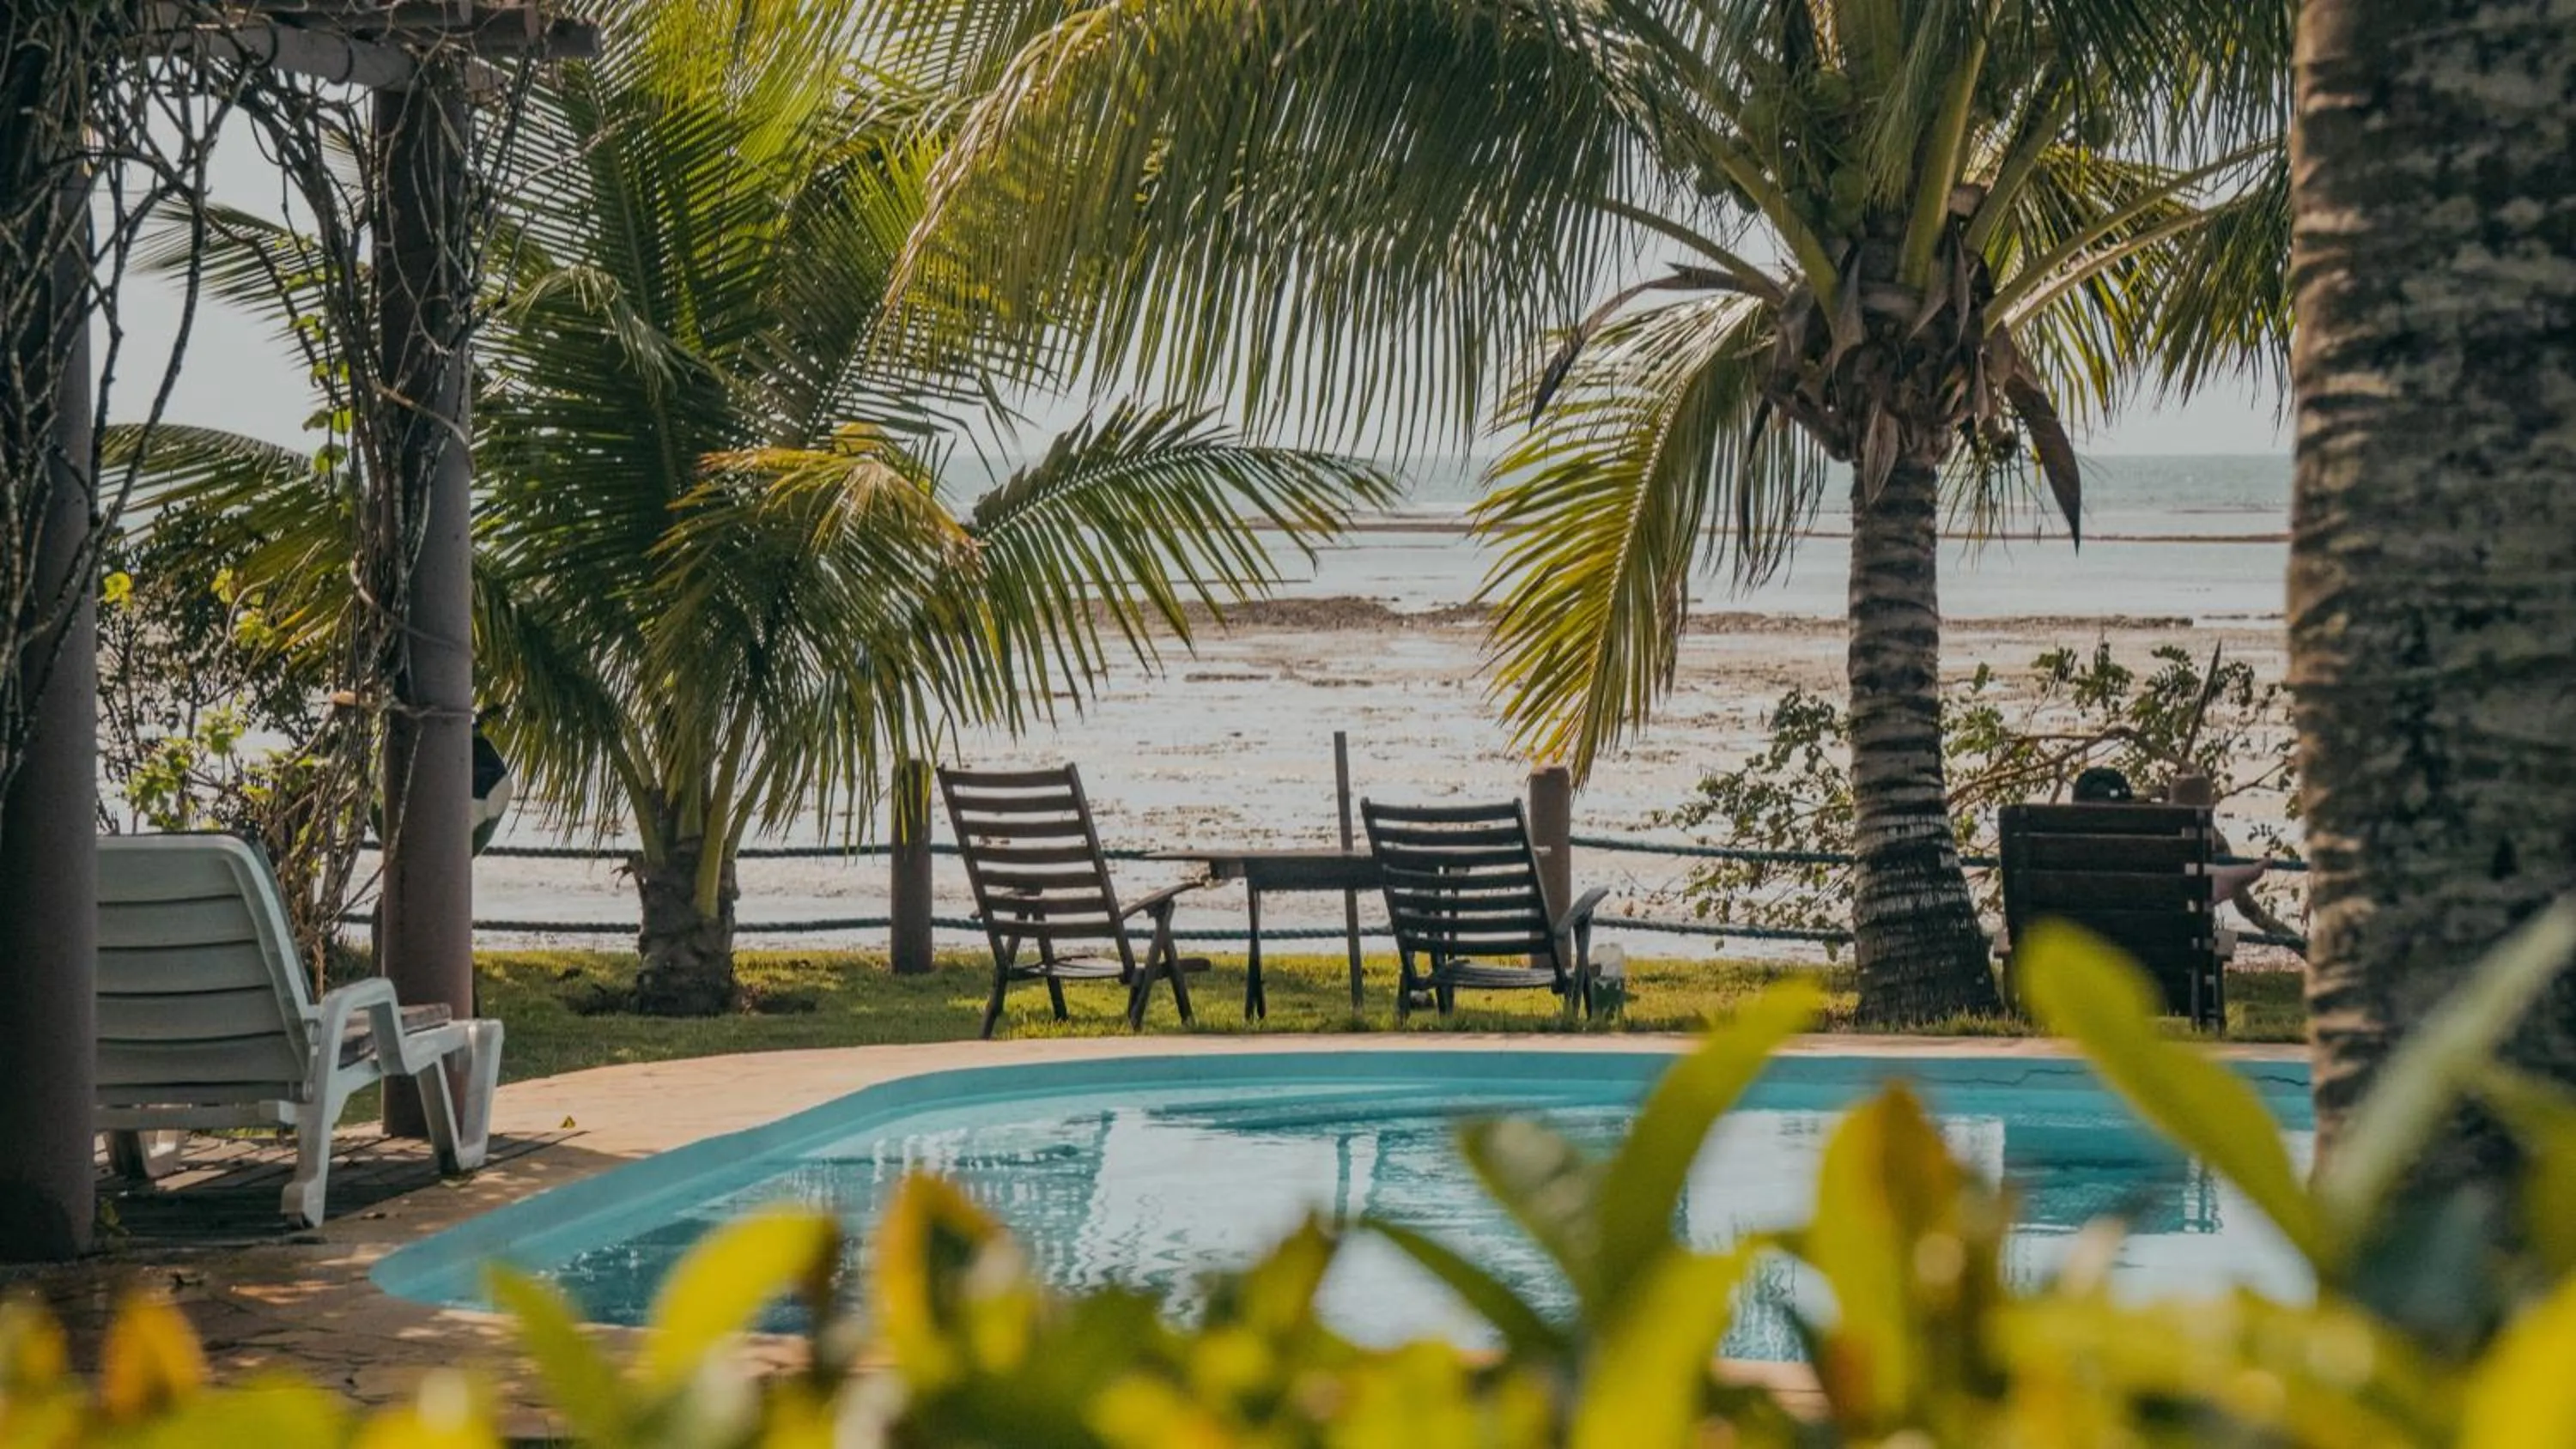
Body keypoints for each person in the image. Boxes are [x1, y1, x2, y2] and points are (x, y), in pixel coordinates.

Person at [2166, 772, 2302, 945]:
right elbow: (2246, 905)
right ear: (2210, 807)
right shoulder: (2217, 844)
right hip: (2185, 948)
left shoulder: (2147, 840)